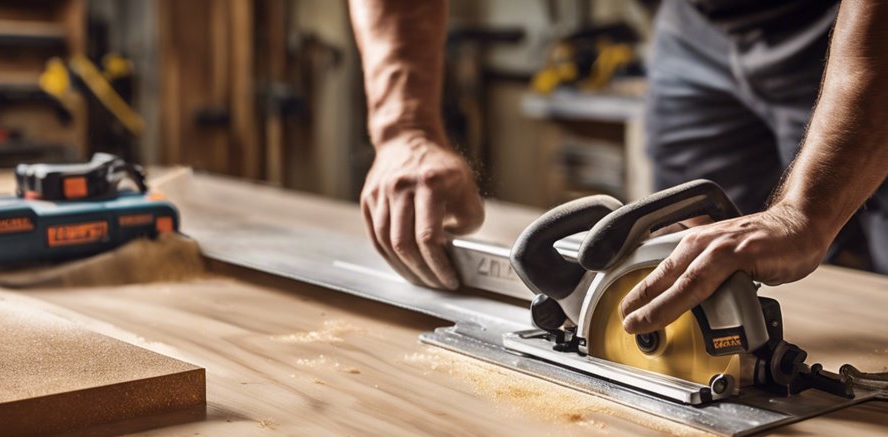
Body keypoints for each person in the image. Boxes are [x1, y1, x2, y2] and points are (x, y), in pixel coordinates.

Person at [348, 0, 888, 335]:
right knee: (688, 264)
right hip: (698, 23)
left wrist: (805, 214)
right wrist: (405, 131)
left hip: (850, 21)